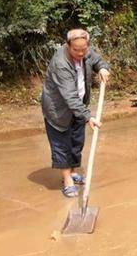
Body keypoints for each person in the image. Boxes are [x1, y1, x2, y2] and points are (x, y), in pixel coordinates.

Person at [41, 29, 111, 198]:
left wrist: (102, 68)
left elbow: (97, 60)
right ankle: (67, 181)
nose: (80, 53)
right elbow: (70, 97)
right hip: (58, 110)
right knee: (61, 145)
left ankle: (71, 172)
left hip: (79, 106)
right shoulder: (60, 63)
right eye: (76, 50)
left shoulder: (85, 51)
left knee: (75, 142)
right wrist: (88, 117)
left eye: (83, 49)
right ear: (68, 46)